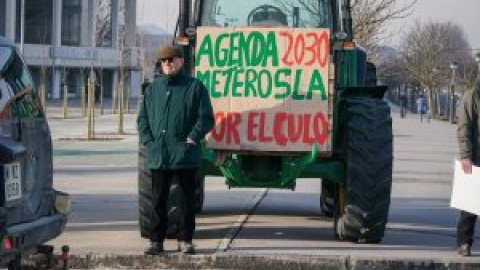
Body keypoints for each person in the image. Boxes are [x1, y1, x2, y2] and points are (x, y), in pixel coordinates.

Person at [137, 45, 214, 255]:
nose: (168, 64)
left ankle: (186, 240)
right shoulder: (153, 89)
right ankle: (156, 241)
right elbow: (142, 119)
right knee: (158, 199)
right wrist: (148, 140)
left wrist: (193, 137)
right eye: (164, 61)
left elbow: (206, 117)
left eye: (172, 60)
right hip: (159, 154)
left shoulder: (196, 87)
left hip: (185, 154)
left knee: (186, 200)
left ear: (181, 61)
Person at [456, 78, 480, 257]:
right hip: (476, 156)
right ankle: (464, 242)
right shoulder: (471, 96)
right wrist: (466, 156)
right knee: (470, 205)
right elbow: (464, 126)